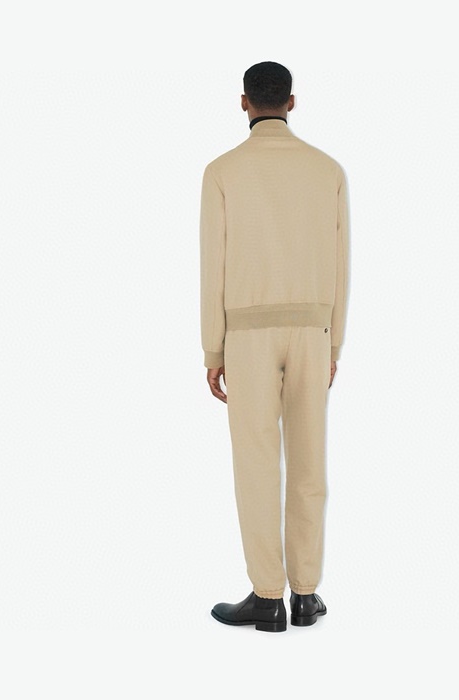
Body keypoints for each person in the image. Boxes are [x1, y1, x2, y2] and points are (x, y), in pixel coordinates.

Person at [199, 61, 350, 632]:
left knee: (257, 465)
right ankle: (306, 594)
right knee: (311, 463)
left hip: (248, 335)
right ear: (292, 101)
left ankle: (267, 599)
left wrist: (213, 350)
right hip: (313, 331)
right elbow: (341, 265)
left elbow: (212, 265)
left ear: (244, 102)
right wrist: (334, 341)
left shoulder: (221, 172)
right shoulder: (327, 170)